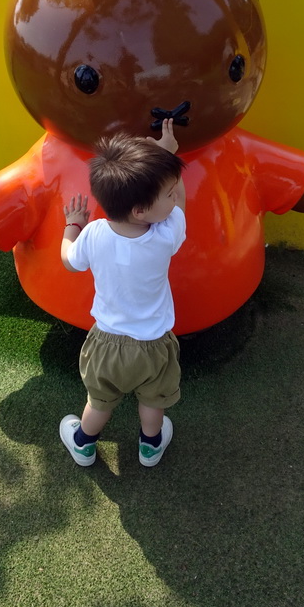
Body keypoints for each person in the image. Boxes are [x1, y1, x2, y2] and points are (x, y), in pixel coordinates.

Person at [59, 118, 187, 469]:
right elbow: (181, 210)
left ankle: (83, 443)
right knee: (153, 399)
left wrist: (72, 226)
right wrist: (170, 155)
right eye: (169, 193)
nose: (174, 197)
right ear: (140, 210)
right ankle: (150, 445)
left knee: (99, 401)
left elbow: (69, 262)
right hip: (154, 345)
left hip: (106, 344)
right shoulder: (164, 236)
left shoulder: (95, 233)